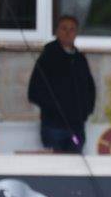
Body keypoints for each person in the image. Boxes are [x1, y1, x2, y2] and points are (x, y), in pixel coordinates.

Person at [27, 15, 96, 154]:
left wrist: (85, 111)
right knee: (55, 165)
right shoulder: (48, 56)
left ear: (76, 33)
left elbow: (90, 88)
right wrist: (54, 109)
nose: (68, 33)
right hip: (53, 127)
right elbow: (34, 91)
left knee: (75, 164)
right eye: (64, 28)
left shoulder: (80, 59)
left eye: (72, 29)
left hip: (77, 127)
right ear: (57, 32)